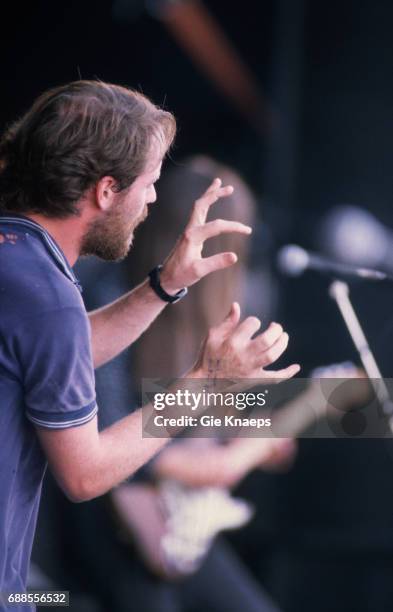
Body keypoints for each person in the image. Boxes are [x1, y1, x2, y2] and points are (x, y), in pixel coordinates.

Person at [0, 80, 299, 608]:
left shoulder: (19, 260)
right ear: (107, 190)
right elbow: (85, 473)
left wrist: (164, 285)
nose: (154, 198)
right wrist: (204, 383)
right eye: (149, 183)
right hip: (109, 547)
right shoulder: (46, 293)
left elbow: (59, 352)